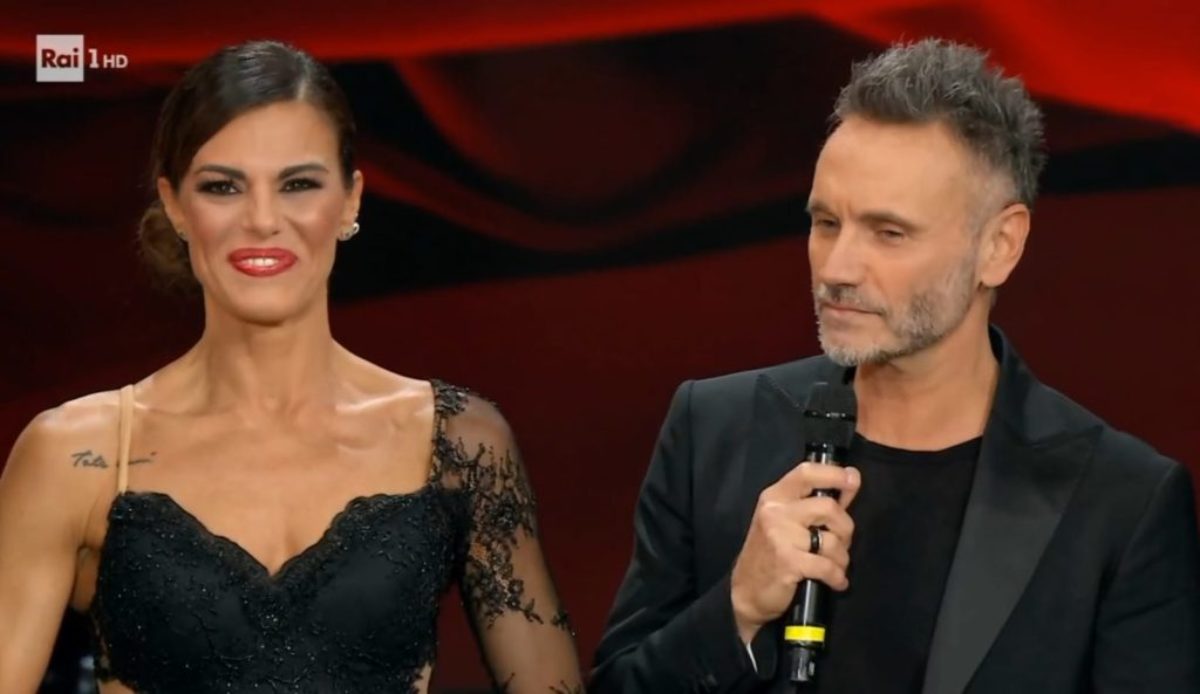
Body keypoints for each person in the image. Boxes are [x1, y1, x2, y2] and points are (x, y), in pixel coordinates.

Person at [591, 38, 1199, 693]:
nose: (837, 269)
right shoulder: (712, 431)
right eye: (826, 223)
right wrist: (736, 609)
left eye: (889, 233)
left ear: (999, 245)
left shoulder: (1119, 503)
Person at [0, 40, 583, 694]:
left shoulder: (458, 442)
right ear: (175, 205)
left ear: (351, 200)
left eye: (298, 184)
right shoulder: (77, 455)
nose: (262, 220)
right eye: (222, 187)